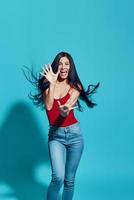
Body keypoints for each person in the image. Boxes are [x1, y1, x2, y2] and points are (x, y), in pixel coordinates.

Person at [22, 51, 100, 200]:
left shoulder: (75, 86)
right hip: (55, 136)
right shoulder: (47, 85)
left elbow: (67, 108)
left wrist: (64, 111)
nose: (64, 67)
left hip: (75, 136)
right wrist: (51, 83)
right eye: (61, 64)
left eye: (67, 64)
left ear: (71, 67)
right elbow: (50, 109)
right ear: (56, 66)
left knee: (69, 180)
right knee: (57, 177)